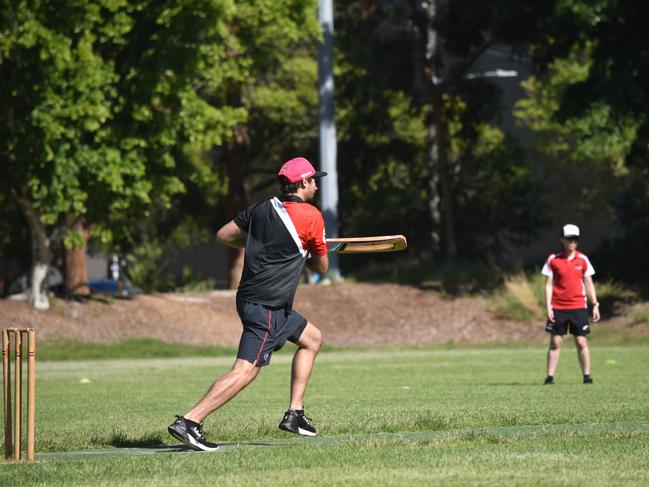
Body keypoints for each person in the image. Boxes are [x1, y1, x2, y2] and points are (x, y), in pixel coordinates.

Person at [168, 157, 329, 451]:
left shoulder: (261, 208)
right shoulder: (312, 217)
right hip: (267, 306)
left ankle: (295, 414)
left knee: (312, 339)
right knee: (246, 369)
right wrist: (317, 246)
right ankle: (190, 421)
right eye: (314, 179)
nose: (317, 184)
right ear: (303, 182)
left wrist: (265, 244)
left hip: (261, 302)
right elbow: (321, 268)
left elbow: (224, 235)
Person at [541, 224, 600, 385]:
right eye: (569, 239)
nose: (572, 242)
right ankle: (550, 377)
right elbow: (548, 285)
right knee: (556, 342)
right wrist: (548, 307)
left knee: (581, 342)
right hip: (558, 307)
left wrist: (595, 304)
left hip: (578, 307)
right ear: (562, 240)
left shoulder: (583, 259)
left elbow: (589, 284)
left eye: (575, 239)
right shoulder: (553, 259)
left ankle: (587, 377)